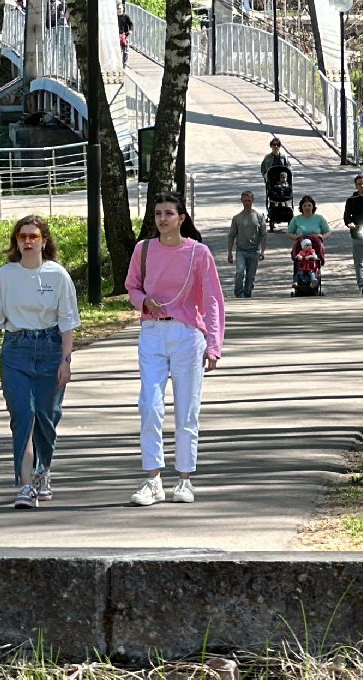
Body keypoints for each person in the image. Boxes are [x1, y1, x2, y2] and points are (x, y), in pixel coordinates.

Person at [125, 195, 225, 506]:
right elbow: (131, 287)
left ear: (182, 217)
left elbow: (211, 300)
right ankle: (152, 480)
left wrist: (214, 344)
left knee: (186, 410)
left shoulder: (198, 252)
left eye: (169, 213)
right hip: (152, 333)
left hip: (187, 335)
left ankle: (184, 479)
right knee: (150, 406)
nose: (163, 219)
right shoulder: (143, 250)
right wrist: (143, 302)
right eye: (158, 214)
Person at [0, 215, 80, 509]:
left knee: (46, 418)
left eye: (33, 237)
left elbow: (67, 323)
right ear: (16, 242)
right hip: (16, 350)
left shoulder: (57, 275)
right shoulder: (6, 275)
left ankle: (43, 471)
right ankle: (25, 485)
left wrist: (66, 361)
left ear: (44, 241)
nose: (27, 242)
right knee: (23, 416)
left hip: (50, 349)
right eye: (22, 237)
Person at [226, 190, 267, 299]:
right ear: (241, 201)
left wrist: (263, 251)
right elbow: (231, 235)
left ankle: (247, 295)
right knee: (240, 272)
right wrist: (229, 252)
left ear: (252, 200)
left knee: (250, 276)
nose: (247, 203)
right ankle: (238, 293)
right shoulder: (237, 218)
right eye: (245, 200)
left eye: (249, 200)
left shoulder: (259, 217)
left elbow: (263, 235)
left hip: (254, 251)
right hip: (241, 251)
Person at [287, 194, 330, 268]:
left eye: (309, 205)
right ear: (301, 207)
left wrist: (321, 236)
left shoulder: (319, 218)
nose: (307, 208)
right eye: (305, 206)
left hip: (315, 242)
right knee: (296, 246)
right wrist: (295, 236)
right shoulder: (296, 219)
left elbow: (328, 232)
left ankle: (318, 262)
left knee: (319, 244)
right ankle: (297, 262)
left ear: (313, 207)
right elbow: (289, 233)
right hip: (301, 242)